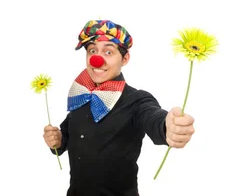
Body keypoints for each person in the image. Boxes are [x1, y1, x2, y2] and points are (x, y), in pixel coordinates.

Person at [42, 19, 196, 196]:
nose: (97, 59)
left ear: (125, 58)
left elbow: (153, 117)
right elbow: (68, 137)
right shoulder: (81, 96)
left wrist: (167, 126)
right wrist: (58, 140)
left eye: (108, 51)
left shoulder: (137, 100)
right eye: (92, 50)